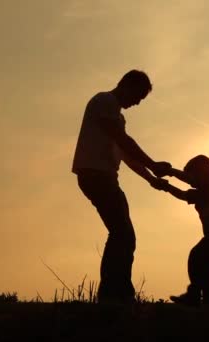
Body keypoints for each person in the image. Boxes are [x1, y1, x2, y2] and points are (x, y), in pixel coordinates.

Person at [71, 70, 171, 304]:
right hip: (96, 175)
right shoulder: (104, 101)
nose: (137, 103)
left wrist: (150, 178)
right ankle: (115, 293)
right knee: (123, 233)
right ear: (128, 85)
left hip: (104, 177)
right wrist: (154, 164)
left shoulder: (117, 116)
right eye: (138, 96)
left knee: (122, 233)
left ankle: (115, 292)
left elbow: (126, 154)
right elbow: (122, 140)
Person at [152, 155, 209, 305]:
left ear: (202, 173)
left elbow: (184, 191)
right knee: (207, 267)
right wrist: (167, 182)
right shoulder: (205, 189)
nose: (190, 179)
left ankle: (195, 296)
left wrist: (170, 174)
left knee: (197, 257)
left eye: (192, 174)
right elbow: (185, 191)